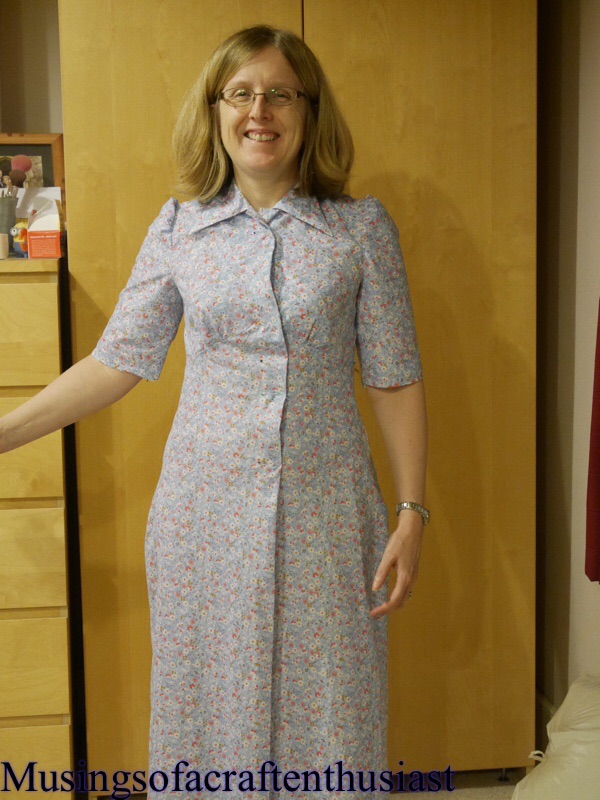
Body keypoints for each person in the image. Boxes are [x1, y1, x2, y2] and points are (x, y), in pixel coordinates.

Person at [0, 24, 427, 799]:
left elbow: (393, 377)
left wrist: (411, 510)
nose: (259, 111)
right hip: (204, 521)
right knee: (207, 721)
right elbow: (115, 360)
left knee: (332, 714)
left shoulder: (359, 231)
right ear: (216, 111)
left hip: (327, 519)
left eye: (279, 94)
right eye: (240, 93)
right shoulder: (179, 230)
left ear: (309, 111)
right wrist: (4, 433)